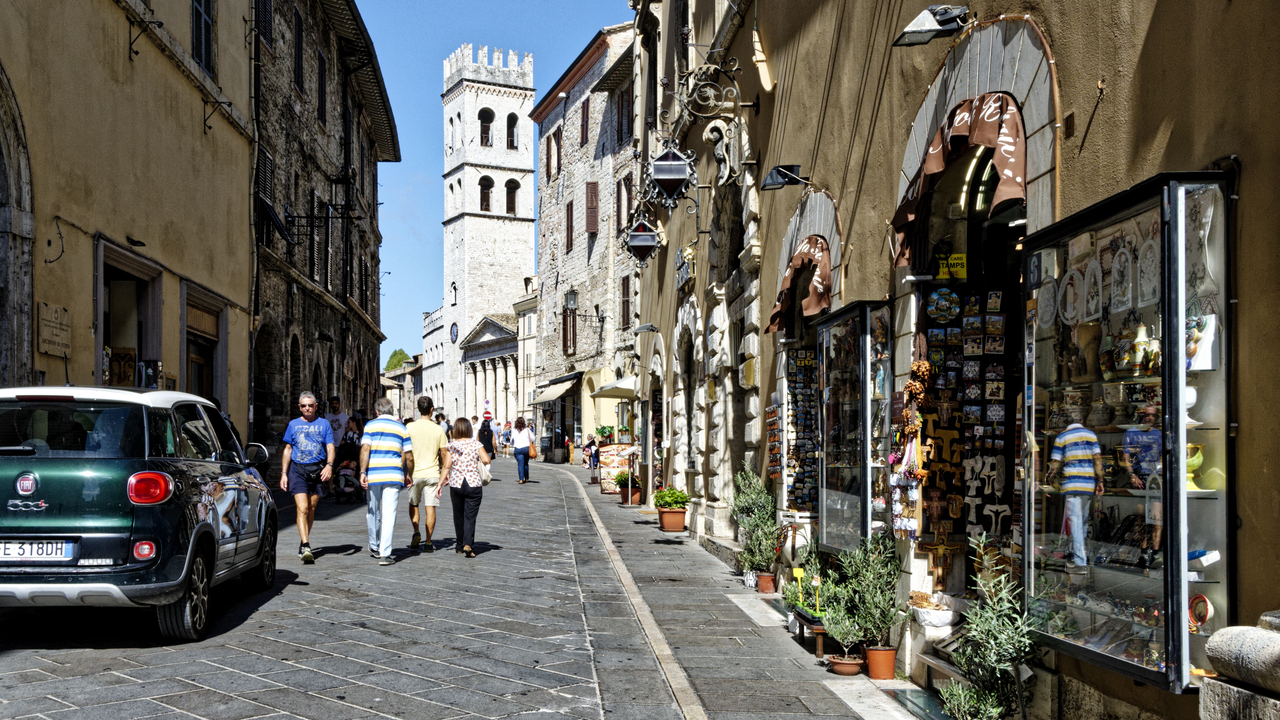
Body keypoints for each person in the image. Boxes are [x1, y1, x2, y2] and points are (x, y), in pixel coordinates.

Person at [280, 391, 335, 564]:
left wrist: (329, 465)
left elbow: (330, 447)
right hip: (297, 470)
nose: (307, 409)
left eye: (310, 405)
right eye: (304, 406)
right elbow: (288, 449)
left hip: (317, 470)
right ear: (299, 407)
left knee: (311, 508)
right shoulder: (293, 424)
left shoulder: (324, 424)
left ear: (316, 406)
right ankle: (306, 545)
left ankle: (303, 540)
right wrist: (283, 473)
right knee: (302, 508)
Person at [359, 397, 414, 566]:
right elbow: (409, 456)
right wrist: (409, 473)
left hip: (374, 474)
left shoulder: (370, 426)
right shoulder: (401, 427)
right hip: (393, 474)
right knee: (389, 514)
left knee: (372, 511)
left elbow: (365, 449)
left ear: (377, 411)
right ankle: (385, 553)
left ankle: (374, 546)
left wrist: (362, 471)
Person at [1047, 422, 1104, 574]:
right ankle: (1082, 554)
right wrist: (1101, 481)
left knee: (1075, 520)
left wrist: (1050, 480)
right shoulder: (1091, 435)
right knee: (1083, 521)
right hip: (1088, 483)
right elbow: (1098, 460)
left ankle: (1080, 561)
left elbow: (1056, 464)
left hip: (1072, 483)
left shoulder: (1062, 436)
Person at [439, 417, 489, 558]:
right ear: (469, 429)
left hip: (456, 483)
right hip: (473, 483)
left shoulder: (452, 446)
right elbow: (486, 460)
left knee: (458, 515)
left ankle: (460, 545)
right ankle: (468, 544)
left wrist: (439, 483)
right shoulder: (476, 444)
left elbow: (447, 466)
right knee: (470, 516)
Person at [406, 396, 450, 553]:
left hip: (415, 473)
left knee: (414, 503)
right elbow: (444, 453)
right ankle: (429, 541)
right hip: (432, 473)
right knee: (430, 507)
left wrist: (407, 472)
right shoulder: (438, 429)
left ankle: (416, 531)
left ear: (418, 409)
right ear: (432, 410)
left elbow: (406, 453)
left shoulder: (409, 427)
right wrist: (446, 472)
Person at [1121, 404, 1162, 489]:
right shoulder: (1131, 432)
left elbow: (1162, 456)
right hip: (1138, 475)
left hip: (1155, 475)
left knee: (1156, 502)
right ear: (1141, 415)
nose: (1150, 418)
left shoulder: (1158, 433)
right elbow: (1126, 457)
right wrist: (1132, 476)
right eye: (1147, 415)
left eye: (1153, 415)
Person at [512, 416, 534, 484]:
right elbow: (533, 438)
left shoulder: (514, 430)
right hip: (526, 448)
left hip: (518, 448)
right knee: (526, 463)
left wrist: (513, 444)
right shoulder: (527, 429)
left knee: (520, 464)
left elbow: (511, 440)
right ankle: (526, 477)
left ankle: (521, 479)